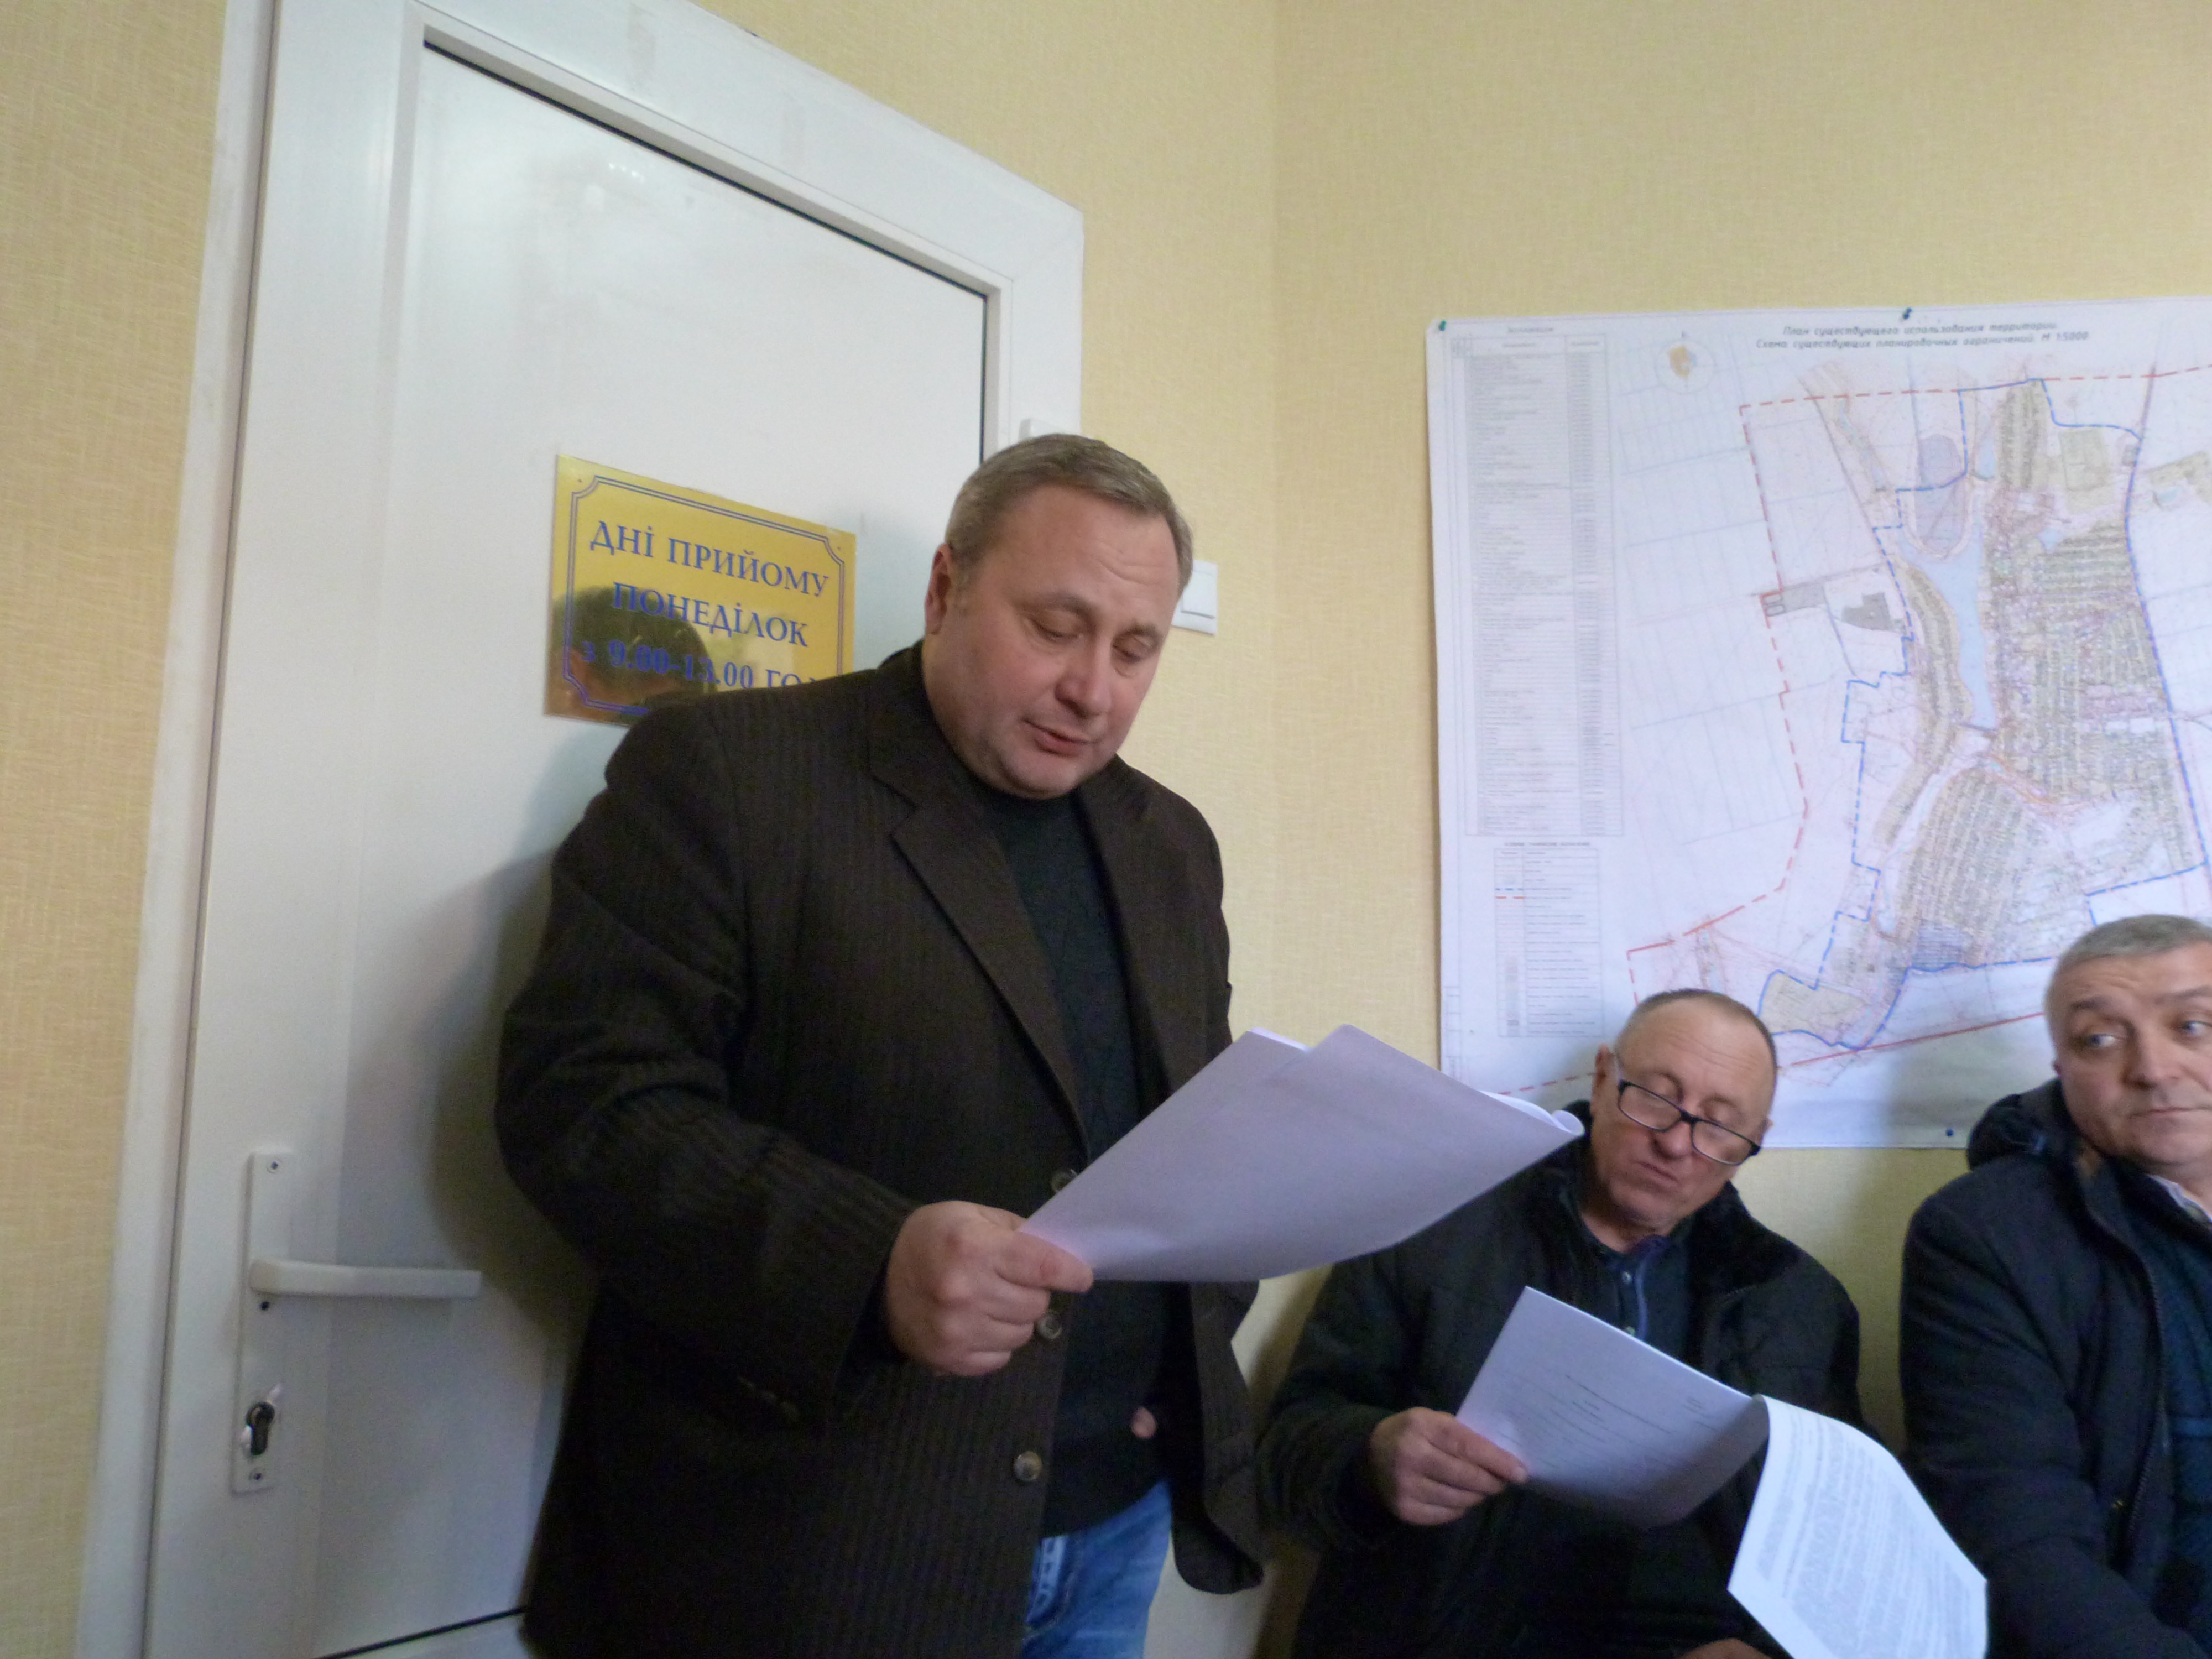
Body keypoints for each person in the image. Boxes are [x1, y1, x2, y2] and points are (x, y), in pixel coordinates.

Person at [497, 435, 1262, 1659]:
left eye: (1135, 649)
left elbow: (1187, 1134)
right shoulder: (730, 774)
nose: (1094, 690)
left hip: (1111, 1526)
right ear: (946, 589)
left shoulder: (1171, 842)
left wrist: (1184, 1355)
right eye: (1055, 627)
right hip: (818, 1549)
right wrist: (871, 1262)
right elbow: (584, 1105)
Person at [1258, 989, 1860, 1659]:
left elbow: (1838, 1543)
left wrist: (1769, 1650)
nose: (1675, 1144)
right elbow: (1282, 1455)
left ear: (1754, 1142)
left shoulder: (1798, 1301)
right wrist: (1370, 1457)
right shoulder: (1430, 1225)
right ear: (1602, 1080)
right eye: (1654, 1098)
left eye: (1719, 1126)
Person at [1902, 912, 2212, 1657]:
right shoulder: (1983, 1235)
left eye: (2193, 1026)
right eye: (2099, 1039)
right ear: (2059, 1069)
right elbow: (2014, 1526)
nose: (2153, 1068)